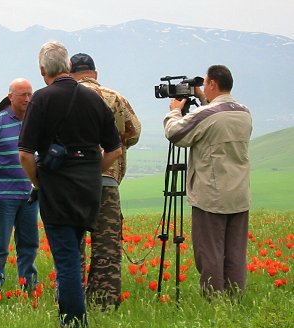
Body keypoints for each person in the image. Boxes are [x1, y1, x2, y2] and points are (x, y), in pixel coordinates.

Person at [18, 41, 122, 328]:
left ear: (42, 71)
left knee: (66, 260)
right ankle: (72, 318)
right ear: (67, 66)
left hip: (57, 193)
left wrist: (38, 181)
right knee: (73, 250)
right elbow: (114, 150)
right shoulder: (94, 100)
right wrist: (92, 172)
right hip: (89, 192)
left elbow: (25, 154)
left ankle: (75, 324)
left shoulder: (41, 100)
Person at [163, 65, 252, 297]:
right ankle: (234, 300)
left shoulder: (206, 114)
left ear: (212, 83)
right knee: (235, 252)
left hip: (211, 195)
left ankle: (214, 301)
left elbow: (176, 134)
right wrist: (203, 99)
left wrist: (174, 110)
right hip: (239, 193)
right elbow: (216, 121)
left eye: (205, 83)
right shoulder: (244, 111)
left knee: (210, 252)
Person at [70, 53, 142, 310]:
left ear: (70, 71)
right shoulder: (115, 98)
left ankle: (71, 297)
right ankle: (104, 302)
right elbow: (133, 133)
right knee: (107, 246)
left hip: (72, 182)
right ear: (95, 73)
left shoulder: (64, 96)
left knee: (72, 243)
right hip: (107, 179)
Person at [0, 78, 39, 292]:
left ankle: (29, 287)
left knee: (29, 245)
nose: (27, 98)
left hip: (30, 194)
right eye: (22, 94)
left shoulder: (36, 121)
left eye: (30, 94)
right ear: (10, 97)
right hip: (3, 195)